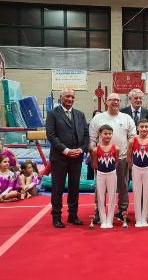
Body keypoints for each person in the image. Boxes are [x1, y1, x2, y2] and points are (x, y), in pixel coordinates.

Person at [90, 93, 136, 224]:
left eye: (117, 100)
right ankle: (99, 212)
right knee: (100, 187)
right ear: (107, 102)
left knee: (123, 186)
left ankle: (122, 211)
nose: (115, 102)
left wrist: (129, 156)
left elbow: (133, 138)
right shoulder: (98, 118)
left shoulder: (126, 118)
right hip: (101, 159)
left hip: (121, 158)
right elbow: (92, 139)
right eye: (112, 100)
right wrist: (93, 158)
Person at [46, 88, 89, 228]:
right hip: (60, 158)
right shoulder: (53, 114)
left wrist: (81, 149)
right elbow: (51, 135)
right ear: (61, 97)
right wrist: (65, 150)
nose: (70, 99)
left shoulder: (80, 115)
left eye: (72, 96)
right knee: (57, 188)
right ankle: (57, 216)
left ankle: (72, 215)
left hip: (76, 157)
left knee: (74, 188)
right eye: (67, 96)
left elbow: (86, 135)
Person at [127, 118, 148, 227]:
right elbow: (129, 157)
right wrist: (132, 167)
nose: (144, 129)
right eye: (142, 127)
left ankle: (144, 218)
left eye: (146, 127)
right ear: (137, 128)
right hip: (136, 168)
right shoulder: (132, 141)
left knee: (146, 193)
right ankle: (138, 218)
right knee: (137, 193)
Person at [91, 125, 120, 229]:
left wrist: (111, 171)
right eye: (105, 134)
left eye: (110, 134)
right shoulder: (95, 150)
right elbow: (94, 164)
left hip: (112, 173)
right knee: (100, 197)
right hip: (100, 174)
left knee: (112, 197)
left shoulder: (116, 148)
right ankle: (103, 220)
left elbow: (116, 162)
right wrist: (101, 173)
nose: (108, 136)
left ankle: (110, 220)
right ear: (100, 134)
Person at [86, 110, 102, 181]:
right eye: (96, 116)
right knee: (90, 162)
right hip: (94, 150)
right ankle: (90, 179)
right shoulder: (90, 127)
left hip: (104, 150)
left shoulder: (106, 128)